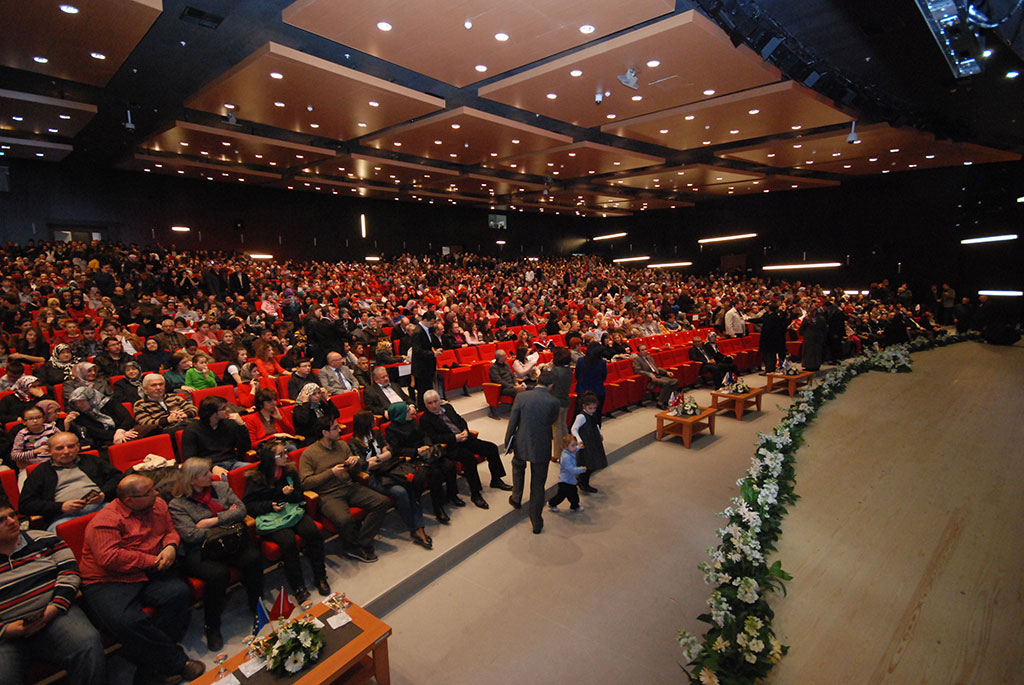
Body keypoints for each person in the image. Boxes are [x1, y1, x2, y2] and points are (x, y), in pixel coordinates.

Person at [79, 474, 205, 683]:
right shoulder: (104, 522)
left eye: (153, 489)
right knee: (128, 622)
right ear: (129, 500)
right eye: (149, 492)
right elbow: (110, 558)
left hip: (146, 571)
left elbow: (170, 531)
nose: (156, 493)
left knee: (178, 593)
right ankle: (176, 662)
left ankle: (150, 665)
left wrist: (170, 547)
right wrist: (153, 560)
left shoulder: (158, 504)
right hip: (108, 580)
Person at [0, 496, 107, 685]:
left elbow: (70, 574)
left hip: (55, 615)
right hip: (7, 633)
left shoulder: (45, 539)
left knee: (87, 643)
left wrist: (53, 609)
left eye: (12, 515)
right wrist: (6, 630)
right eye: (2, 520)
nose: (11, 521)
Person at [169, 457, 264, 651]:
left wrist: (212, 521)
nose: (210, 476)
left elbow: (241, 510)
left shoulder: (220, 487)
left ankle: (256, 605)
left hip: (229, 541)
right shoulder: (177, 505)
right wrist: (226, 520)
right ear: (192, 480)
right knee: (218, 574)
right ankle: (212, 626)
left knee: (253, 559)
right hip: (202, 549)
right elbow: (191, 535)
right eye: (205, 474)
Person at [243, 440, 329, 604]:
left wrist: (290, 494)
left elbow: (299, 495)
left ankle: (320, 576)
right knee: (288, 542)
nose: (286, 456)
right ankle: (298, 587)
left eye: (285, 452)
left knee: (312, 532)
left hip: (292, 511)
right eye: (281, 454)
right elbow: (249, 505)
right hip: (272, 517)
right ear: (270, 458)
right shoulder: (256, 477)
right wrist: (270, 505)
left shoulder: (289, 471)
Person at [299, 416, 391, 563]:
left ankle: (361, 542)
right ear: (325, 432)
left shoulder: (342, 445)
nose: (340, 429)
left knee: (382, 502)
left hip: (349, 486)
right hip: (328, 494)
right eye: (335, 428)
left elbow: (355, 471)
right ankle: (353, 547)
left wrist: (354, 463)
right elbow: (305, 482)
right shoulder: (309, 454)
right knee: (344, 520)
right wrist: (331, 473)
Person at [348, 410, 432, 549]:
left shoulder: (376, 433)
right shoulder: (353, 443)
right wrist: (382, 456)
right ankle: (415, 527)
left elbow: (391, 451)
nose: (375, 420)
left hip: (389, 469)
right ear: (365, 423)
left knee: (410, 485)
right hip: (372, 476)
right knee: (400, 492)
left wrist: (378, 458)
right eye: (372, 419)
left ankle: (418, 528)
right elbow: (363, 464)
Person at [420, 389, 512, 509]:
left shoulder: (448, 407)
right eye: (429, 403)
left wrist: (465, 431)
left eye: (435, 401)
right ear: (425, 404)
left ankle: (496, 479)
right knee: (470, 459)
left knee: (491, 448)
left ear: (439, 401)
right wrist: (454, 438)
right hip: (450, 446)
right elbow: (434, 438)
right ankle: (475, 493)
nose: (433, 405)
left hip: (465, 439)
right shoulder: (425, 419)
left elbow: (461, 420)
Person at [20, 432, 121, 531]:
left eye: (71, 446)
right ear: (49, 451)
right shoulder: (41, 472)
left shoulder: (91, 460)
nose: (66, 451)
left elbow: (118, 477)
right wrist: (61, 507)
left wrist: (104, 494)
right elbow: (26, 505)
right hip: (64, 518)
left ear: (78, 447)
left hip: (102, 507)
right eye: (60, 448)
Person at [385, 401, 461, 523]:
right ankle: (438, 508)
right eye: (407, 410)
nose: (411, 411)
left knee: (449, 464)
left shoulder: (413, 421)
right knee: (435, 473)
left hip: (426, 452)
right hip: (412, 458)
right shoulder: (391, 430)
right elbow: (397, 449)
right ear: (401, 414)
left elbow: (424, 435)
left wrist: (427, 445)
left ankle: (452, 494)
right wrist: (417, 451)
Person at [504, 370, 560, 534]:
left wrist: (508, 441)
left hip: (522, 441)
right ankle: (536, 520)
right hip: (542, 444)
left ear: (538, 381)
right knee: (538, 483)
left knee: (518, 467)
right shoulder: (554, 402)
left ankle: (516, 498)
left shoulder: (522, 396)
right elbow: (551, 421)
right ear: (551, 386)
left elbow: (513, 421)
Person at [180, 396, 252, 477]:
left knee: (255, 473)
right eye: (223, 408)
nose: (228, 409)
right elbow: (190, 459)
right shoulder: (191, 431)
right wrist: (212, 467)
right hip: (207, 469)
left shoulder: (230, 424)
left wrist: (242, 425)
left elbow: (245, 448)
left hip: (232, 463)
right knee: (226, 481)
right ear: (212, 413)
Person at [64, 386, 138, 452]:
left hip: (126, 430)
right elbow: (97, 432)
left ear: (90, 399)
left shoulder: (110, 403)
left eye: (81, 402)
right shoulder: (80, 415)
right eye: (76, 403)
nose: (78, 405)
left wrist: (121, 431)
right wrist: (119, 435)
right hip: (105, 441)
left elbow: (127, 418)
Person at [133, 373, 198, 435]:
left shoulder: (174, 397)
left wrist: (185, 414)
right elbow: (145, 423)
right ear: (145, 389)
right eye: (153, 385)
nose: (158, 388)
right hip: (163, 431)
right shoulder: (140, 404)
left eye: (161, 384)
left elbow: (193, 408)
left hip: (184, 424)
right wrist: (168, 420)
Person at [10, 405, 59, 486]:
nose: (35, 421)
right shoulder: (22, 435)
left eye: (38, 417)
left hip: (53, 463)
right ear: (24, 422)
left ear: (43, 418)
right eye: (30, 419)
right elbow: (15, 456)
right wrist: (35, 452)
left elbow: (64, 442)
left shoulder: (51, 429)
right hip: (31, 466)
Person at [571, 391, 607, 494]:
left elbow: (596, 425)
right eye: (590, 408)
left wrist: (599, 433)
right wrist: (579, 440)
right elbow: (574, 429)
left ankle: (583, 481)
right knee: (588, 464)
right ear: (584, 406)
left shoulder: (592, 415)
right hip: (586, 442)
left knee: (594, 463)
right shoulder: (581, 417)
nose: (593, 410)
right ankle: (583, 482)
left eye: (594, 408)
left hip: (593, 440)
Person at [632, 343, 679, 409]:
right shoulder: (637, 360)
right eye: (642, 350)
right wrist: (649, 374)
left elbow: (657, 368)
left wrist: (666, 372)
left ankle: (666, 400)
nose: (645, 351)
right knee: (667, 383)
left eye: (645, 349)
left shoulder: (650, 357)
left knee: (675, 381)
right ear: (639, 352)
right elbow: (638, 371)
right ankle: (660, 403)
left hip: (658, 375)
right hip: (650, 379)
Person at [410, 311, 441, 410]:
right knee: (422, 392)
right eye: (431, 322)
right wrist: (433, 354)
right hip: (421, 368)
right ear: (424, 320)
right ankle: (423, 411)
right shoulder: (418, 332)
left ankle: (430, 409)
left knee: (428, 389)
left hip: (428, 367)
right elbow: (417, 351)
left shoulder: (427, 330)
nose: (432, 325)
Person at [548, 434, 586, 513]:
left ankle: (574, 506)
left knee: (573, 494)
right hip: (565, 481)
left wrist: (579, 447)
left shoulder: (570, 451)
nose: (575, 447)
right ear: (565, 446)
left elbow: (574, 450)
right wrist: (581, 469)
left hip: (570, 480)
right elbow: (571, 469)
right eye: (573, 445)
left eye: (575, 445)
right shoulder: (566, 457)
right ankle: (552, 503)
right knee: (561, 495)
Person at [573, 343, 608, 424]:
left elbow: (577, 375)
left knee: (579, 416)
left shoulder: (580, 361)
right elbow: (603, 377)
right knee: (597, 416)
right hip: (598, 391)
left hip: (583, 390)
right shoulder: (602, 363)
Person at [548, 346, 573, 455]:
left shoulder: (556, 370)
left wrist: (549, 368)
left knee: (557, 429)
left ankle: (557, 453)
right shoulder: (568, 369)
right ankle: (568, 447)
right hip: (565, 400)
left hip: (556, 402)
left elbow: (549, 384)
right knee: (563, 426)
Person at [757, 303, 789, 374]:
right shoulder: (778, 317)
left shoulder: (767, 317)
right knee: (773, 354)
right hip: (775, 338)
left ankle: (768, 369)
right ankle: (772, 368)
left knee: (767, 355)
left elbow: (761, 323)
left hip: (767, 338)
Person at [799, 305, 827, 371]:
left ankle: (808, 365)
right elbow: (824, 329)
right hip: (819, 336)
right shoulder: (822, 319)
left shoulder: (807, 319)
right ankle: (816, 365)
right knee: (817, 351)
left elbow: (802, 328)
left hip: (809, 337)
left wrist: (802, 333)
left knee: (809, 351)